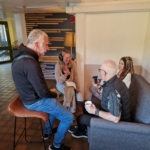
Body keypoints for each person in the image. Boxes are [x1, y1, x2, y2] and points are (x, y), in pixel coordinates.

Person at [11, 29, 74, 150]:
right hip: (35, 101)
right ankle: (56, 146)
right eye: (46, 44)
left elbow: (39, 88)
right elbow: (43, 92)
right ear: (36, 44)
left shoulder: (21, 57)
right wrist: (53, 94)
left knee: (55, 102)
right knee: (68, 117)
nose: (48, 48)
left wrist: (51, 93)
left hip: (28, 98)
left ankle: (47, 131)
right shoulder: (29, 63)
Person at [68, 60, 130, 138]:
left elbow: (115, 118)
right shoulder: (114, 81)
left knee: (80, 118)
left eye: (100, 70)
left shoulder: (113, 90)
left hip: (115, 123)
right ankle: (87, 127)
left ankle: (83, 132)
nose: (100, 72)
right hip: (108, 110)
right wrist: (98, 86)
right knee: (86, 103)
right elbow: (107, 92)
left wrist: (95, 111)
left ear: (104, 73)